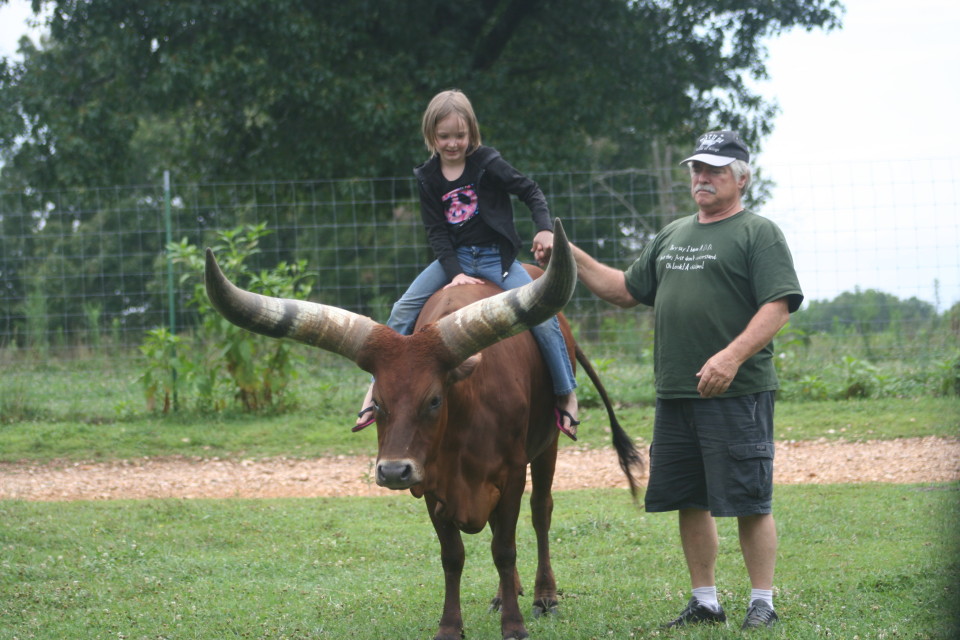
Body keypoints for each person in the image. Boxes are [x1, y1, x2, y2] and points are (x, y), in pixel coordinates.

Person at [537, 131, 803, 630]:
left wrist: (731, 356)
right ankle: (705, 602)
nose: (702, 177)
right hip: (677, 392)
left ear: (741, 178)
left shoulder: (757, 232)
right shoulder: (673, 233)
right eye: (697, 169)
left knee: (749, 499)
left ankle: (761, 603)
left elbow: (778, 305)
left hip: (737, 389)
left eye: (715, 170)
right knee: (689, 498)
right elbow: (623, 289)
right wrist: (568, 254)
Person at [354, 89, 579, 438]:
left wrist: (545, 230)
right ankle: (374, 391)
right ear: (432, 135)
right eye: (444, 136)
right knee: (401, 311)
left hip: (495, 259)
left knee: (542, 315)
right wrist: (455, 272)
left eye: (460, 135)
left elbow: (530, 191)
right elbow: (437, 232)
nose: (453, 143)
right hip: (452, 260)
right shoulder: (428, 177)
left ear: (471, 133)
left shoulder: (487, 163)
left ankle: (566, 394)